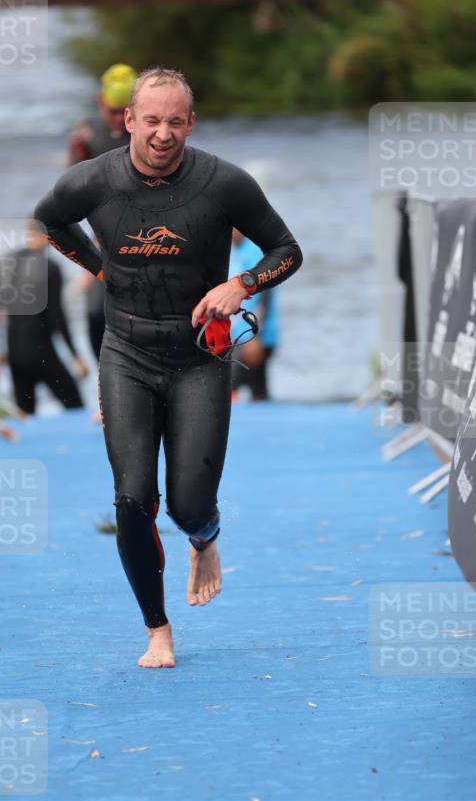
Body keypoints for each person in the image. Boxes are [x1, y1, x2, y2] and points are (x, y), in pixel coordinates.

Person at [34, 67, 302, 668]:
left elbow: (289, 250)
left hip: (200, 360)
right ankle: (158, 629)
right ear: (128, 120)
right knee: (132, 498)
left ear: (191, 123)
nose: (163, 134)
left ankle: (203, 536)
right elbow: (49, 219)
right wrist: (99, 268)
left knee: (186, 504)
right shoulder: (93, 181)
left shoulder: (224, 183)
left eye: (175, 121)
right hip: (125, 354)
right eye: (151, 120)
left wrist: (242, 283)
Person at [0, 220, 90, 414]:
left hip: (15, 353)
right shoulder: (50, 268)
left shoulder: (7, 262)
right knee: (75, 405)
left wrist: (0, 350)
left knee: (25, 413)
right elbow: (57, 316)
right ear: (49, 237)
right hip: (41, 353)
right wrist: (76, 356)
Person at [229, 228, 280, 400]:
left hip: (254, 337)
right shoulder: (237, 251)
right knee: (259, 393)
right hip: (243, 334)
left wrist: (256, 335)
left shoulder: (255, 251)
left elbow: (266, 292)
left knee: (229, 386)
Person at [67, 63, 137, 166]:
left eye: (125, 112)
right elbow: (72, 178)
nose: (120, 118)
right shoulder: (86, 132)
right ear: (100, 101)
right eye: (113, 112)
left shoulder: (145, 133)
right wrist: (77, 148)